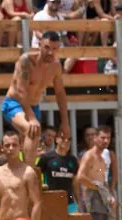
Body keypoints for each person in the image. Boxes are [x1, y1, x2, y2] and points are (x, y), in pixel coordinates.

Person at [4, 32, 71, 164]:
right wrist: (31, 117)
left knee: (32, 139)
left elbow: (60, 93)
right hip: (14, 104)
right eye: (47, 47)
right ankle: (29, 173)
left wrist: (65, 122)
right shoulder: (26, 61)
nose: (50, 52)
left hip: (34, 106)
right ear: (39, 45)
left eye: (54, 49)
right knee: (32, 130)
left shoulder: (56, 66)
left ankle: (24, 170)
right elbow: (21, 90)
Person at [0, 129, 43, 220]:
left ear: (20, 147)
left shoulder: (28, 172)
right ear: (2, 148)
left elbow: (37, 203)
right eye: (7, 145)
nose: (11, 148)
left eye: (14, 145)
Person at [76, 125, 119, 220]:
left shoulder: (102, 157)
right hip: (93, 197)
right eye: (103, 137)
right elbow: (80, 177)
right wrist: (98, 188)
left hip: (102, 196)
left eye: (108, 138)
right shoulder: (89, 155)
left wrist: (108, 193)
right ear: (95, 138)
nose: (106, 141)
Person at [37, 132, 79, 211]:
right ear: (56, 140)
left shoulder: (73, 160)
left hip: (69, 201)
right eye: (63, 138)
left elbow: (75, 182)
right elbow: (36, 176)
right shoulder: (46, 157)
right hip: (51, 201)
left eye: (69, 139)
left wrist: (79, 201)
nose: (66, 141)